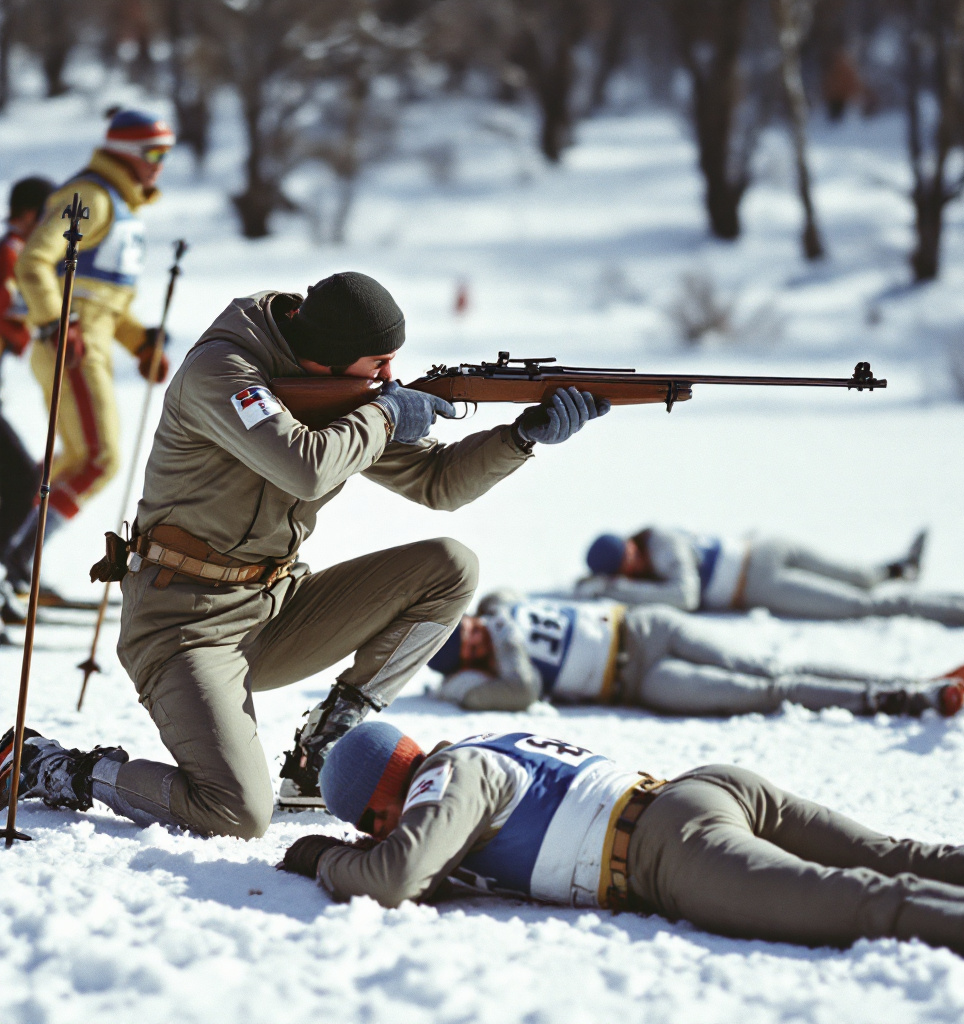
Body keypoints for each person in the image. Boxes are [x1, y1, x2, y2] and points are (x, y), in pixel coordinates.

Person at [1, 271, 610, 839]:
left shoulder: (342, 393)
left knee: (450, 567)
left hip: (276, 607)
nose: (391, 373)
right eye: (380, 361)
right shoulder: (223, 372)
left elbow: (438, 482)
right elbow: (305, 466)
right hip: (183, 627)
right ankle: (53, 767)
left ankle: (323, 745)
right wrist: (384, 412)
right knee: (236, 811)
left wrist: (520, 437)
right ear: (331, 350)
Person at [277, 721, 964, 968]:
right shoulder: (481, 747)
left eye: (370, 824)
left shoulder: (449, 775)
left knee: (850, 903)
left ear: (383, 801)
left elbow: (399, 875)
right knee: (899, 856)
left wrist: (321, 858)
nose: (378, 834)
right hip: (697, 793)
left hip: (671, 851)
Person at [4, 108, 175, 592]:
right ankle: (15, 556)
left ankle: (11, 542)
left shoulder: (121, 206)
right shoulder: (92, 198)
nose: (161, 165)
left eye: (166, 154)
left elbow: (103, 302)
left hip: (86, 340)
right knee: (101, 459)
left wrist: (140, 342)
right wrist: (56, 323)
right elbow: (34, 264)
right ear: (126, 153)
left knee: (78, 459)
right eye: (154, 154)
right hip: (71, 345)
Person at [426, 590, 964, 717]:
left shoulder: (499, 606)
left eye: (473, 626)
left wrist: (493, 619)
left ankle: (917, 676)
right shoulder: (499, 674)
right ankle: (901, 696)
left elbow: (499, 595)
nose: (483, 632)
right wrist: (497, 645)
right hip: (639, 679)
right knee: (771, 691)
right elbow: (522, 693)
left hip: (646, 626)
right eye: (474, 644)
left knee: (767, 665)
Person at [578, 526, 964, 630]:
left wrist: (618, 589)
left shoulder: (660, 542)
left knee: (862, 602)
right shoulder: (646, 553)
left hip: (758, 575)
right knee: (860, 582)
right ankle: (899, 570)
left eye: (629, 559)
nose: (633, 565)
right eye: (625, 566)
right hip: (761, 556)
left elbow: (684, 597)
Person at [0, 176, 54, 631]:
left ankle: (8, 571)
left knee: (22, 480)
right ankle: (6, 570)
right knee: (22, 482)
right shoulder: (12, 254)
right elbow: (14, 317)